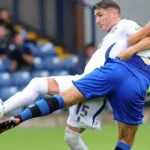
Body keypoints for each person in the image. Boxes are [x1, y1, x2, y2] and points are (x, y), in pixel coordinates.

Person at [0, 0, 150, 150]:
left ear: (114, 13)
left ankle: (11, 113)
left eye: (100, 15)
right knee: (70, 135)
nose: (97, 20)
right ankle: (8, 112)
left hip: (98, 84)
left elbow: (145, 37)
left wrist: (132, 47)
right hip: (87, 79)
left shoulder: (125, 25)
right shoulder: (110, 36)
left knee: (70, 133)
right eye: (95, 16)